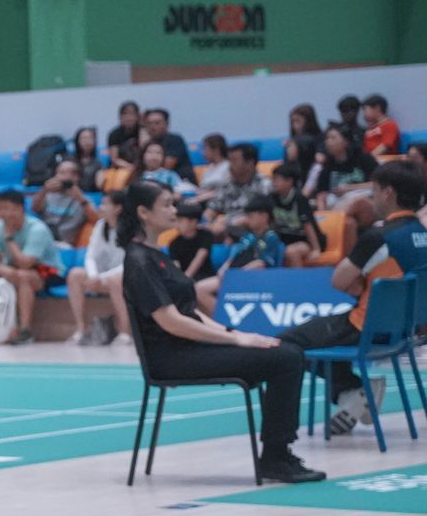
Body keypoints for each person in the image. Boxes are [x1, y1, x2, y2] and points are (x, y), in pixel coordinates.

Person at [118, 180, 323, 484]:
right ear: (143, 212)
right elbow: (172, 322)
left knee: (280, 350)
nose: (174, 210)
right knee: (286, 359)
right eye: (166, 205)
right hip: (172, 358)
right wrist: (235, 339)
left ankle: (277, 454)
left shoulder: (158, 254)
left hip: (189, 349)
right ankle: (276, 458)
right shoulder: (139, 261)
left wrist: (234, 332)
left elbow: (190, 312)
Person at [281, 161, 426, 436]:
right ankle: (356, 394)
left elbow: (338, 281)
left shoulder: (379, 237)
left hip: (367, 327)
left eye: (374, 192)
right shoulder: (423, 234)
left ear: (388, 193)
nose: (371, 199)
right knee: (321, 336)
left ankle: (353, 391)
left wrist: (359, 284)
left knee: (287, 342)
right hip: (408, 331)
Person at [0, 190, 56, 346]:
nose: (4, 214)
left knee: (23, 276)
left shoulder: (37, 229)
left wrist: (9, 239)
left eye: (8, 209)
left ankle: (25, 331)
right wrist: (5, 271)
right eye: (1, 209)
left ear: (20, 209)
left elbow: (26, 263)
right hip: (15, 268)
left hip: (47, 269)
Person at [65, 191, 131, 346]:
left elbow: (130, 262)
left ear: (118, 208)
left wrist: (101, 277)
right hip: (104, 277)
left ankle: (125, 332)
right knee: (75, 275)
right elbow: (90, 256)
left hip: (127, 277)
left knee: (115, 280)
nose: (101, 207)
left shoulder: (131, 229)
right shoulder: (101, 226)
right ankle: (81, 329)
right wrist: (94, 275)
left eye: (106, 204)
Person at [202, 143, 271, 235]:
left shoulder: (264, 185)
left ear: (249, 163)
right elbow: (212, 208)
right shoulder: (227, 183)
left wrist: (226, 224)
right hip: (222, 230)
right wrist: (205, 222)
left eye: (234, 161)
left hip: (250, 233)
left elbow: (259, 218)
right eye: (229, 161)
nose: (229, 166)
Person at [166, 201, 220, 315]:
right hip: (184, 278)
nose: (177, 224)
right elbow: (175, 266)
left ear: (193, 221)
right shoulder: (174, 243)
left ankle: (220, 316)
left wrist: (186, 279)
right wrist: (180, 280)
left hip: (204, 276)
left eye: (181, 221)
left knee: (195, 289)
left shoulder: (205, 235)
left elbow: (199, 258)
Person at [267, 162, 322, 267]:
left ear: (289, 181)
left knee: (291, 252)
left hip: (305, 241)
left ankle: (298, 277)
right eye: (273, 179)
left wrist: (316, 249)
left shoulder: (299, 199)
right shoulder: (272, 198)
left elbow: (308, 226)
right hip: (286, 240)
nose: (273, 183)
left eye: (277, 179)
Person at [33, 158, 97, 245]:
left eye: (63, 173)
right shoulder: (48, 195)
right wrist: (44, 191)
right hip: (42, 238)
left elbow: (96, 220)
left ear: (76, 177)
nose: (58, 177)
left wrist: (80, 198)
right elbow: (35, 209)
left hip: (63, 244)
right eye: (58, 173)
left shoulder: (83, 199)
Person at [308, 127, 379, 206]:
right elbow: (322, 194)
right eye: (327, 138)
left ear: (346, 142)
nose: (328, 142)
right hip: (338, 203)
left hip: (364, 199)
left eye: (333, 138)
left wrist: (349, 188)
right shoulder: (327, 166)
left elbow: (377, 184)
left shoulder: (363, 158)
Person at [141, 108, 191, 174]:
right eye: (149, 123)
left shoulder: (175, 140)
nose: (152, 127)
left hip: (180, 179)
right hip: (154, 178)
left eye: (157, 123)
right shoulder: (148, 143)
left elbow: (168, 165)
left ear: (167, 124)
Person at [285, 103, 323, 179]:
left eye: (298, 121)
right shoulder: (292, 141)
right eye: (292, 122)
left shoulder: (320, 139)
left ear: (308, 121)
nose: (295, 126)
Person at [71, 125, 107, 191]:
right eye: (84, 138)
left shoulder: (98, 162)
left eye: (90, 138)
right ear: (77, 141)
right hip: (71, 192)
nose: (87, 141)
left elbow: (99, 185)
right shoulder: (69, 160)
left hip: (92, 193)